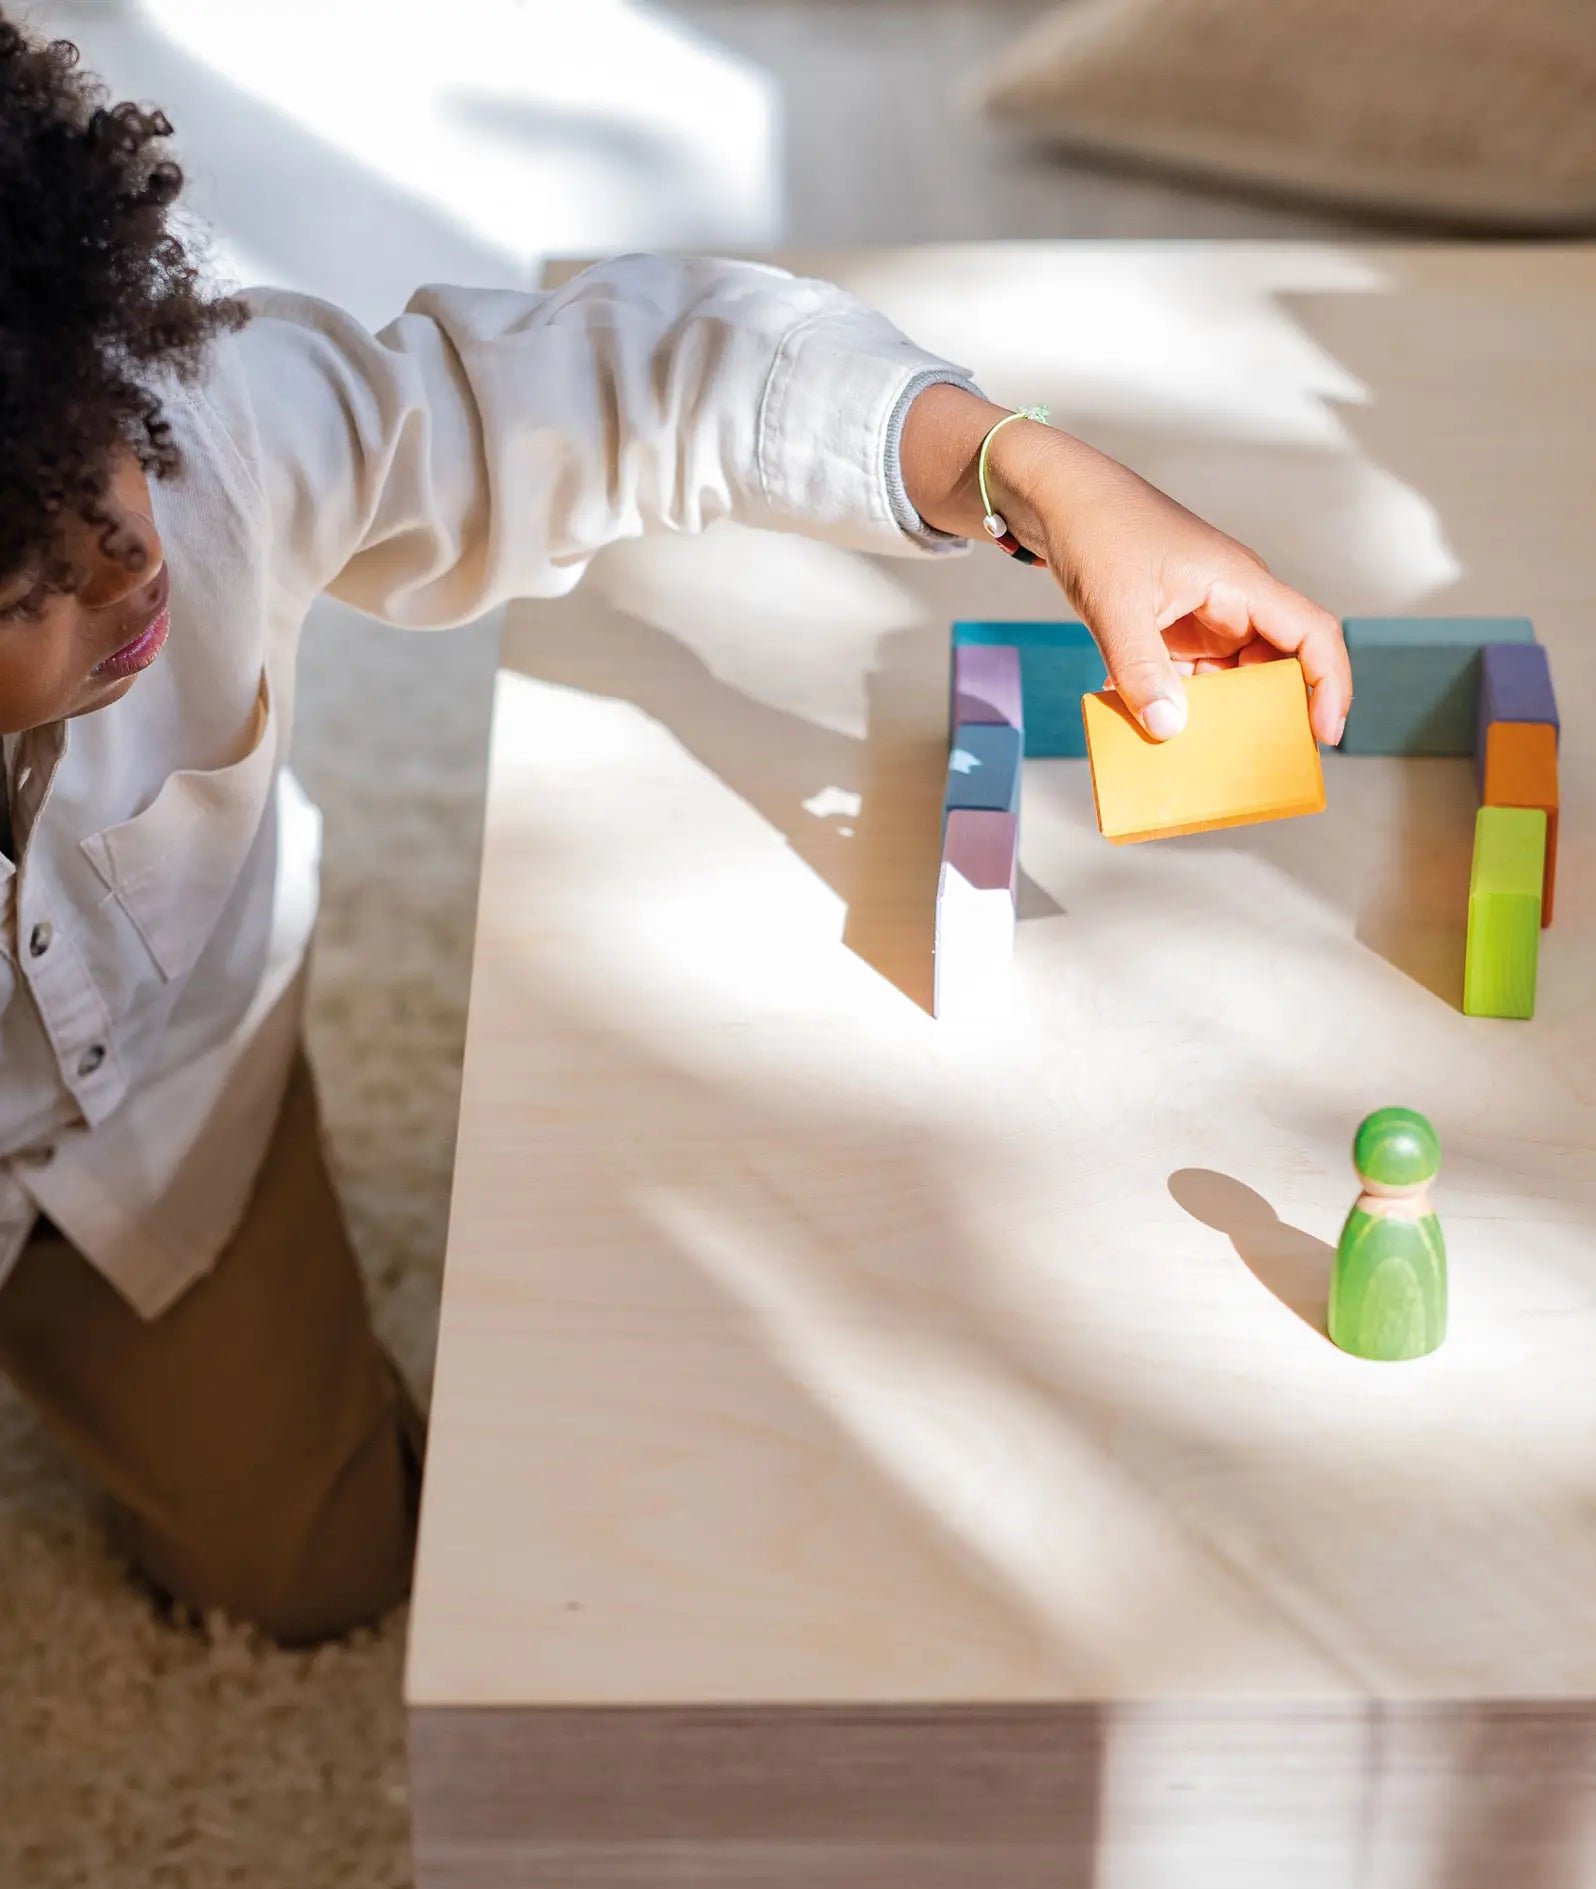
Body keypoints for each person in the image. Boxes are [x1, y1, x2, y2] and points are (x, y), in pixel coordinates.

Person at [0, 13, 1352, 1649]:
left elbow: (638, 376)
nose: (130, 563)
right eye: (26, 585)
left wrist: (1030, 473)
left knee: (321, 1575)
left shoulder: (208, 421)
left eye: (109, 457)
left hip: (157, 1100)